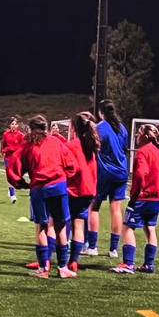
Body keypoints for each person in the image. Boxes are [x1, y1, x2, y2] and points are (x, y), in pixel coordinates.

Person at [6, 115, 78, 278]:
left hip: (39, 189)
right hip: (58, 188)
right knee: (60, 226)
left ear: (31, 129)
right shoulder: (56, 142)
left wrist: (21, 184)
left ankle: (43, 269)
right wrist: (64, 177)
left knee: (42, 228)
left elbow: (12, 168)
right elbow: (72, 164)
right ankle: (62, 267)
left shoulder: (27, 145)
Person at [111, 124, 159, 274]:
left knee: (127, 227)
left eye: (138, 134)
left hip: (142, 198)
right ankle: (148, 264)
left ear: (145, 137)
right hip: (154, 200)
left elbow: (140, 174)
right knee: (150, 229)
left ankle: (128, 264)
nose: (136, 137)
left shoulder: (143, 152)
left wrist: (134, 196)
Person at [85, 99, 129, 258]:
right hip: (121, 172)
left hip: (104, 173)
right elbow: (124, 149)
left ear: (100, 112)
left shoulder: (99, 128)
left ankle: (92, 247)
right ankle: (113, 250)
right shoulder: (122, 128)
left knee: (94, 207)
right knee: (116, 209)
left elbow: (91, 147)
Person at [65, 111, 100, 271]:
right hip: (88, 191)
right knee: (78, 225)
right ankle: (74, 261)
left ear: (74, 128)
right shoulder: (91, 145)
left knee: (56, 224)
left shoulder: (72, 146)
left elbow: (71, 169)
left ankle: (50, 260)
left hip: (73, 190)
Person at [0, 117, 25, 204]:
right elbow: (3, 144)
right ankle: (12, 195)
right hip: (8, 158)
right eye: (12, 124)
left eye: (15, 124)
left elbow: (23, 146)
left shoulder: (21, 135)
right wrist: (3, 151)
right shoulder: (6, 134)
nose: (14, 126)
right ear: (9, 125)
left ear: (17, 125)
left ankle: (11, 189)